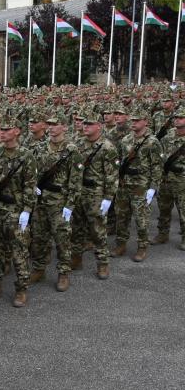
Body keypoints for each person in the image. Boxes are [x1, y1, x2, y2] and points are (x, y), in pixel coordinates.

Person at [0, 115, 37, 307]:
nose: (3, 133)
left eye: (7, 130)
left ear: (17, 131)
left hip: (16, 210)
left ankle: (21, 288)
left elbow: (30, 185)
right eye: (2, 130)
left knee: (19, 252)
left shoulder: (26, 155)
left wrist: (27, 211)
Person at [29, 110, 83, 292]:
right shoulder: (40, 147)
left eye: (55, 125)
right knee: (39, 237)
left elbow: (75, 180)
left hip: (60, 202)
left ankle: (63, 273)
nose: (51, 128)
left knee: (62, 239)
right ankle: (39, 268)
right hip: (41, 200)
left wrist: (70, 205)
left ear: (64, 127)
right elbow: (34, 172)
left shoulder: (72, 150)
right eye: (49, 125)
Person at [71, 111, 119, 279]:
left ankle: (103, 263)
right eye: (84, 124)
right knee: (76, 228)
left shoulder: (107, 147)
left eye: (89, 124)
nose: (85, 127)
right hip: (78, 191)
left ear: (99, 126)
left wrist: (108, 198)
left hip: (96, 193)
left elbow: (112, 176)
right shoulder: (78, 143)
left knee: (97, 230)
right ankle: (76, 258)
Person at [112, 109, 163, 262]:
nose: (133, 123)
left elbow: (158, 166)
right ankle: (121, 244)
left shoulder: (152, 142)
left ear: (145, 122)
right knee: (121, 217)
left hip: (141, 185)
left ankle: (142, 247)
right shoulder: (126, 140)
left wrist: (153, 187)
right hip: (124, 184)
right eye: (132, 120)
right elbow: (120, 162)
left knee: (141, 219)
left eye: (137, 120)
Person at [152, 107, 185, 249]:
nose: (177, 120)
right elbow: (160, 153)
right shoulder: (169, 135)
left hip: (182, 180)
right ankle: (162, 234)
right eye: (175, 117)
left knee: (183, 210)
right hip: (165, 179)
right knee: (164, 208)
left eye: (180, 118)